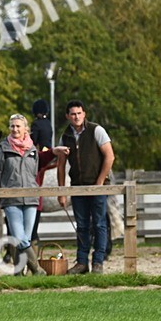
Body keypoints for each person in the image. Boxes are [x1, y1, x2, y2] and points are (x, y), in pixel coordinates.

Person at [0, 114, 53, 275]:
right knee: (20, 238)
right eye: (12, 126)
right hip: (11, 200)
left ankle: (18, 273)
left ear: (26, 129)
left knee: (26, 239)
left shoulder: (32, 150)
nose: (15, 129)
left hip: (31, 198)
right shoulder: (3, 149)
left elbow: (35, 173)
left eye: (18, 126)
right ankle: (38, 270)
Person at [55, 100, 115, 274]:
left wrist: (100, 182)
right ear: (67, 116)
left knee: (99, 224)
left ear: (84, 114)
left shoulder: (96, 130)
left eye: (79, 113)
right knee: (81, 225)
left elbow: (109, 157)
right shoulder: (65, 135)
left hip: (97, 186)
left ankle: (98, 261)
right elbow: (60, 165)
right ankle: (82, 262)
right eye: (73, 114)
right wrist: (62, 191)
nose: (76, 117)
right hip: (77, 186)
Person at [28, 99, 55, 245]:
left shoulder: (36, 124)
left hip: (41, 152)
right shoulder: (48, 122)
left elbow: (33, 141)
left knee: (35, 172)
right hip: (50, 150)